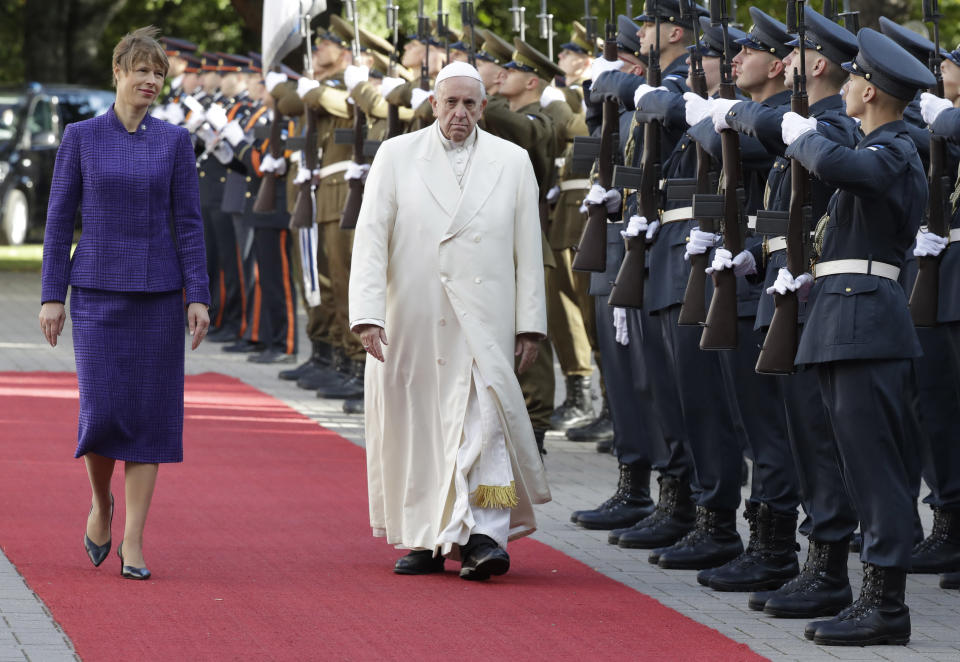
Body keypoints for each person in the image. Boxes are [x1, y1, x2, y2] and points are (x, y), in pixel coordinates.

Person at [348, 61, 550, 580]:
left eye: (470, 104)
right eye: (450, 102)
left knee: (485, 430)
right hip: (412, 319)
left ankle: (485, 536)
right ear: (433, 104)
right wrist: (367, 315)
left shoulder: (512, 159)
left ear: (484, 108)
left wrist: (530, 324)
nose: (459, 113)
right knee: (418, 430)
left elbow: (530, 249)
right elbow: (370, 238)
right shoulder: (396, 155)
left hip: (485, 321)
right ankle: (425, 536)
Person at [780, 28, 934, 646]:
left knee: (877, 468)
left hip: (866, 320)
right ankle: (867, 596)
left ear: (869, 90)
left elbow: (849, 168)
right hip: (845, 318)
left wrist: (803, 137)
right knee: (854, 462)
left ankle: (886, 607)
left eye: (850, 81)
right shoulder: (879, 143)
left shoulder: (896, 147)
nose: (841, 88)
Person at [38, 26, 210, 580]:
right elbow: (59, 219)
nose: (151, 81)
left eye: (159, 73)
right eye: (142, 70)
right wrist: (50, 295)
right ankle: (101, 502)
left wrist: (198, 296)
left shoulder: (175, 142)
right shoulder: (81, 137)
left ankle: (134, 541)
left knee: (151, 418)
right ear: (118, 71)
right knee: (103, 412)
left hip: (158, 297)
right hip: (95, 294)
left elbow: (189, 224)